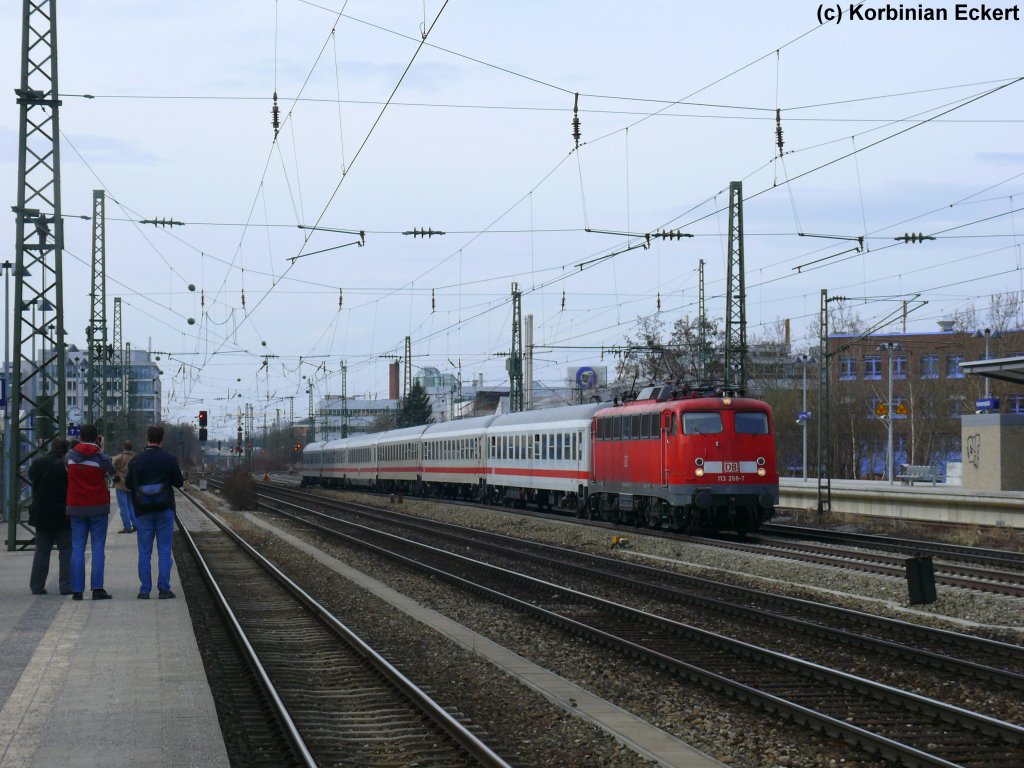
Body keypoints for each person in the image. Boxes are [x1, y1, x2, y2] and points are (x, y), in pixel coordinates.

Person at [125, 424, 184, 599]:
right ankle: (164, 589)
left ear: (147, 438)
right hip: (164, 508)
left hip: (142, 510)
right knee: (164, 549)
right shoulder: (169, 459)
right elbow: (179, 482)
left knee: (144, 551)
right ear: (162, 439)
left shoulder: (136, 460)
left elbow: (129, 485)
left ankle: (145, 590)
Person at [66, 424, 117, 601]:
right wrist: (101, 450)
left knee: (77, 548)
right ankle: (97, 589)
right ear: (97, 438)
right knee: (97, 548)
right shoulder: (100, 457)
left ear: (80, 437)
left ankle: (77, 590)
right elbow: (113, 472)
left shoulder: (70, 456)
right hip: (97, 507)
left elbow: (66, 469)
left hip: (76, 507)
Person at [28, 439, 72, 596]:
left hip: (42, 513)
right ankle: (66, 586)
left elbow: (32, 479)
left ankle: (37, 586)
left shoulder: (37, 463)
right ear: (65, 451)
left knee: (42, 550)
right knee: (66, 550)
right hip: (63, 513)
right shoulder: (66, 467)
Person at [112, 440, 137, 533]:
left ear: (123, 447)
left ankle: (127, 526)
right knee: (131, 505)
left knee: (123, 506)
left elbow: (112, 465)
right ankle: (135, 524)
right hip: (132, 483)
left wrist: (115, 473)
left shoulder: (120, 456)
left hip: (121, 483)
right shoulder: (135, 457)